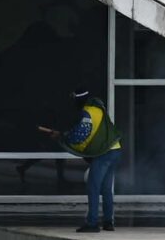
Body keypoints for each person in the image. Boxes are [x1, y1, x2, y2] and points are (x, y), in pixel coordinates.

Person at [45, 88, 123, 232]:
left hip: (104, 153)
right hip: (115, 149)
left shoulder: (88, 112)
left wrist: (62, 137)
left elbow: (81, 134)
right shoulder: (99, 109)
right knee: (106, 189)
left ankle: (92, 223)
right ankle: (108, 222)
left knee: (93, 187)